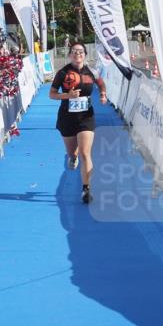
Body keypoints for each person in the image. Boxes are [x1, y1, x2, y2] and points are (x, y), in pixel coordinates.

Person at [49, 41, 107, 204]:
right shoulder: (62, 73)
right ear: (69, 55)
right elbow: (52, 94)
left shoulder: (92, 72)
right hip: (67, 117)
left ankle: (86, 189)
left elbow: (101, 84)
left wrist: (103, 94)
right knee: (72, 153)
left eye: (81, 51)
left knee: (85, 153)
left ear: (85, 55)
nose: (78, 54)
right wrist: (67, 96)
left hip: (86, 116)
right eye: (74, 51)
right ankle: (72, 157)